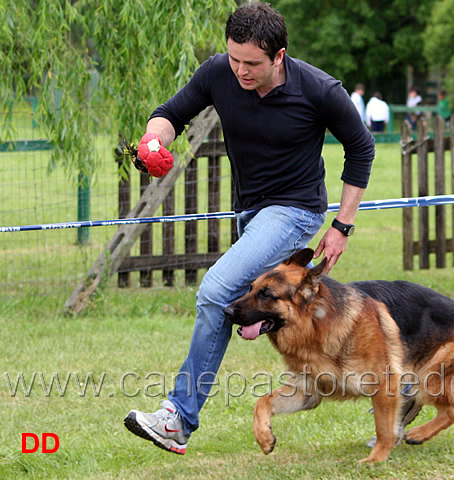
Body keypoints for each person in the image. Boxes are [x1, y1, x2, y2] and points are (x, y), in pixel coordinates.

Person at [123, 3, 375, 455]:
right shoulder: (218, 72)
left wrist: (342, 225)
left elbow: (361, 148)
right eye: (234, 58)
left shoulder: (318, 89)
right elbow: (170, 113)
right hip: (250, 215)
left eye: (252, 63)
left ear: (278, 56)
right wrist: (153, 139)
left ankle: (178, 418)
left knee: (215, 290)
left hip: (295, 211)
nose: (240, 69)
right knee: (240, 307)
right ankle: (402, 378)